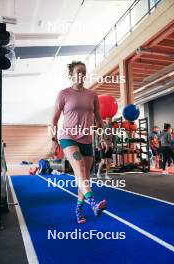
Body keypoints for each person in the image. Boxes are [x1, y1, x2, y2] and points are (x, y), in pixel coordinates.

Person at [51, 61, 107, 224]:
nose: (81, 74)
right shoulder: (63, 94)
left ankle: (79, 210)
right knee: (80, 167)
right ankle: (93, 203)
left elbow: (99, 119)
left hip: (87, 139)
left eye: (84, 71)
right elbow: (54, 119)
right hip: (68, 137)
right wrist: (53, 139)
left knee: (84, 177)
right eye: (78, 71)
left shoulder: (92, 95)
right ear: (71, 75)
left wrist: (103, 137)